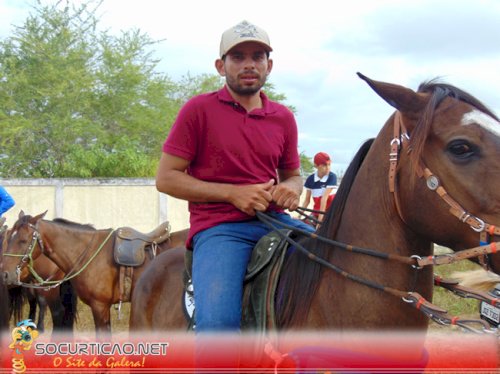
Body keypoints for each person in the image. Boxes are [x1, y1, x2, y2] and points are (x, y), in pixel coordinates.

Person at [156, 20, 314, 334]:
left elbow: (294, 175)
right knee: (218, 328)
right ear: (220, 65)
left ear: (269, 66)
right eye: (238, 57)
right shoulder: (198, 110)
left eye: (257, 56)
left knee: (333, 264)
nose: (249, 64)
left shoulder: (283, 118)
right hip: (220, 229)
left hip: (277, 221)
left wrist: (289, 189)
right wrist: (232, 194)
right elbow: (166, 178)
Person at [300, 152, 337, 225]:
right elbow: (307, 200)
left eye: (329, 164)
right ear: (316, 166)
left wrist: (319, 222)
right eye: (324, 165)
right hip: (316, 213)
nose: (328, 168)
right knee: (301, 227)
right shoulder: (310, 179)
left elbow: (324, 199)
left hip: (331, 214)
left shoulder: (332, 177)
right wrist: (299, 215)